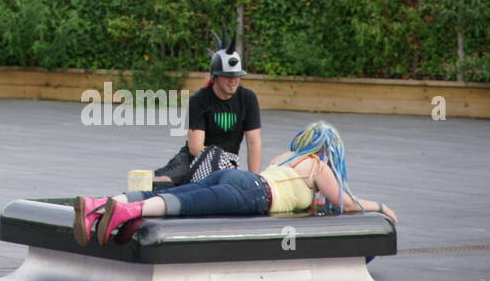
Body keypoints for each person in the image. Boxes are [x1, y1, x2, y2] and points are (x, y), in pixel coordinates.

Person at [74, 121, 397, 246]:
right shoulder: (317, 165)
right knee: (186, 205)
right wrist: (380, 207)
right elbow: (346, 202)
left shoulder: (286, 157)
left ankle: (97, 205)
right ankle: (126, 211)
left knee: (177, 191)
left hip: (241, 177)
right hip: (254, 193)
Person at [152, 40, 262, 187]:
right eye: (228, 76)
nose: (233, 81)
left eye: (237, 76)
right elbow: (195, 147)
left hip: (229, 162)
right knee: (162, 183)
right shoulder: (199, 100)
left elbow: (253, 142)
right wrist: (218, 165)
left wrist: (255, 180)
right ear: (215, 77)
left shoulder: (248, 98)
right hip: (195, 158)